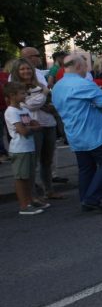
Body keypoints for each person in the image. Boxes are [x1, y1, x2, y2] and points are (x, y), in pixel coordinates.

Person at [51, 53, 102, 213]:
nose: (86, 69)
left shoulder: (57, 87)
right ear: (78, 66)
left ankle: (86, 198)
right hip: (96, 133)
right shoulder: (84, 84)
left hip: (75, 133)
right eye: (85, 66)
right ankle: (92, 198)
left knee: (86, 168)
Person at [10, 57, 61, 201]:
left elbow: (50, 103)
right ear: (17, 72)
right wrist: (44, 95)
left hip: (48, 124)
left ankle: (49, 190)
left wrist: (47, 103)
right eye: (22, 69)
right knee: (33, 162)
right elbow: (31, 105)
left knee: (47, 160)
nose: (26, 71)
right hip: (34, 127)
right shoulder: (16, 88)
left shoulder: (40, 84)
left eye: (28, 69)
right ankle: (32, 196)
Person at [4, 81, 49, 215]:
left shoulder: (23, 109)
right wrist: (32, 128)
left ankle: (30, 200)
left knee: (29, 176)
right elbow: (23, 130)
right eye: (22, 93)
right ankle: (24, 205)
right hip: (19, 149)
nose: (25, 95)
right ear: (12, 95)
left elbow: (33, 123)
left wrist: (31, 127)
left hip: (28, 147)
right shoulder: (11, 111)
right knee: (21, 178)